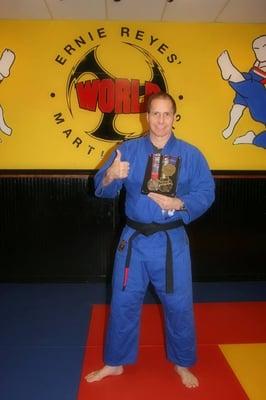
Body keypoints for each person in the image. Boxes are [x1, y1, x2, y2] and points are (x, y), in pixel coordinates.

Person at [85, 92, 215, 389]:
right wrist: (110, 177)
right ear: (146, 116)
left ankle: (182, 363)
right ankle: (115, 362)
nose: (160, 120)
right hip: (133, 243)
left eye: (166, 114)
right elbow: (100, 190)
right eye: (154, 114)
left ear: (174, 117)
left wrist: (180, 202)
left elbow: (206, 192)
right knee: (123, 301)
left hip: (171, 243)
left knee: (179, 305)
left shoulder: (191, 154)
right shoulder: (127, 151)